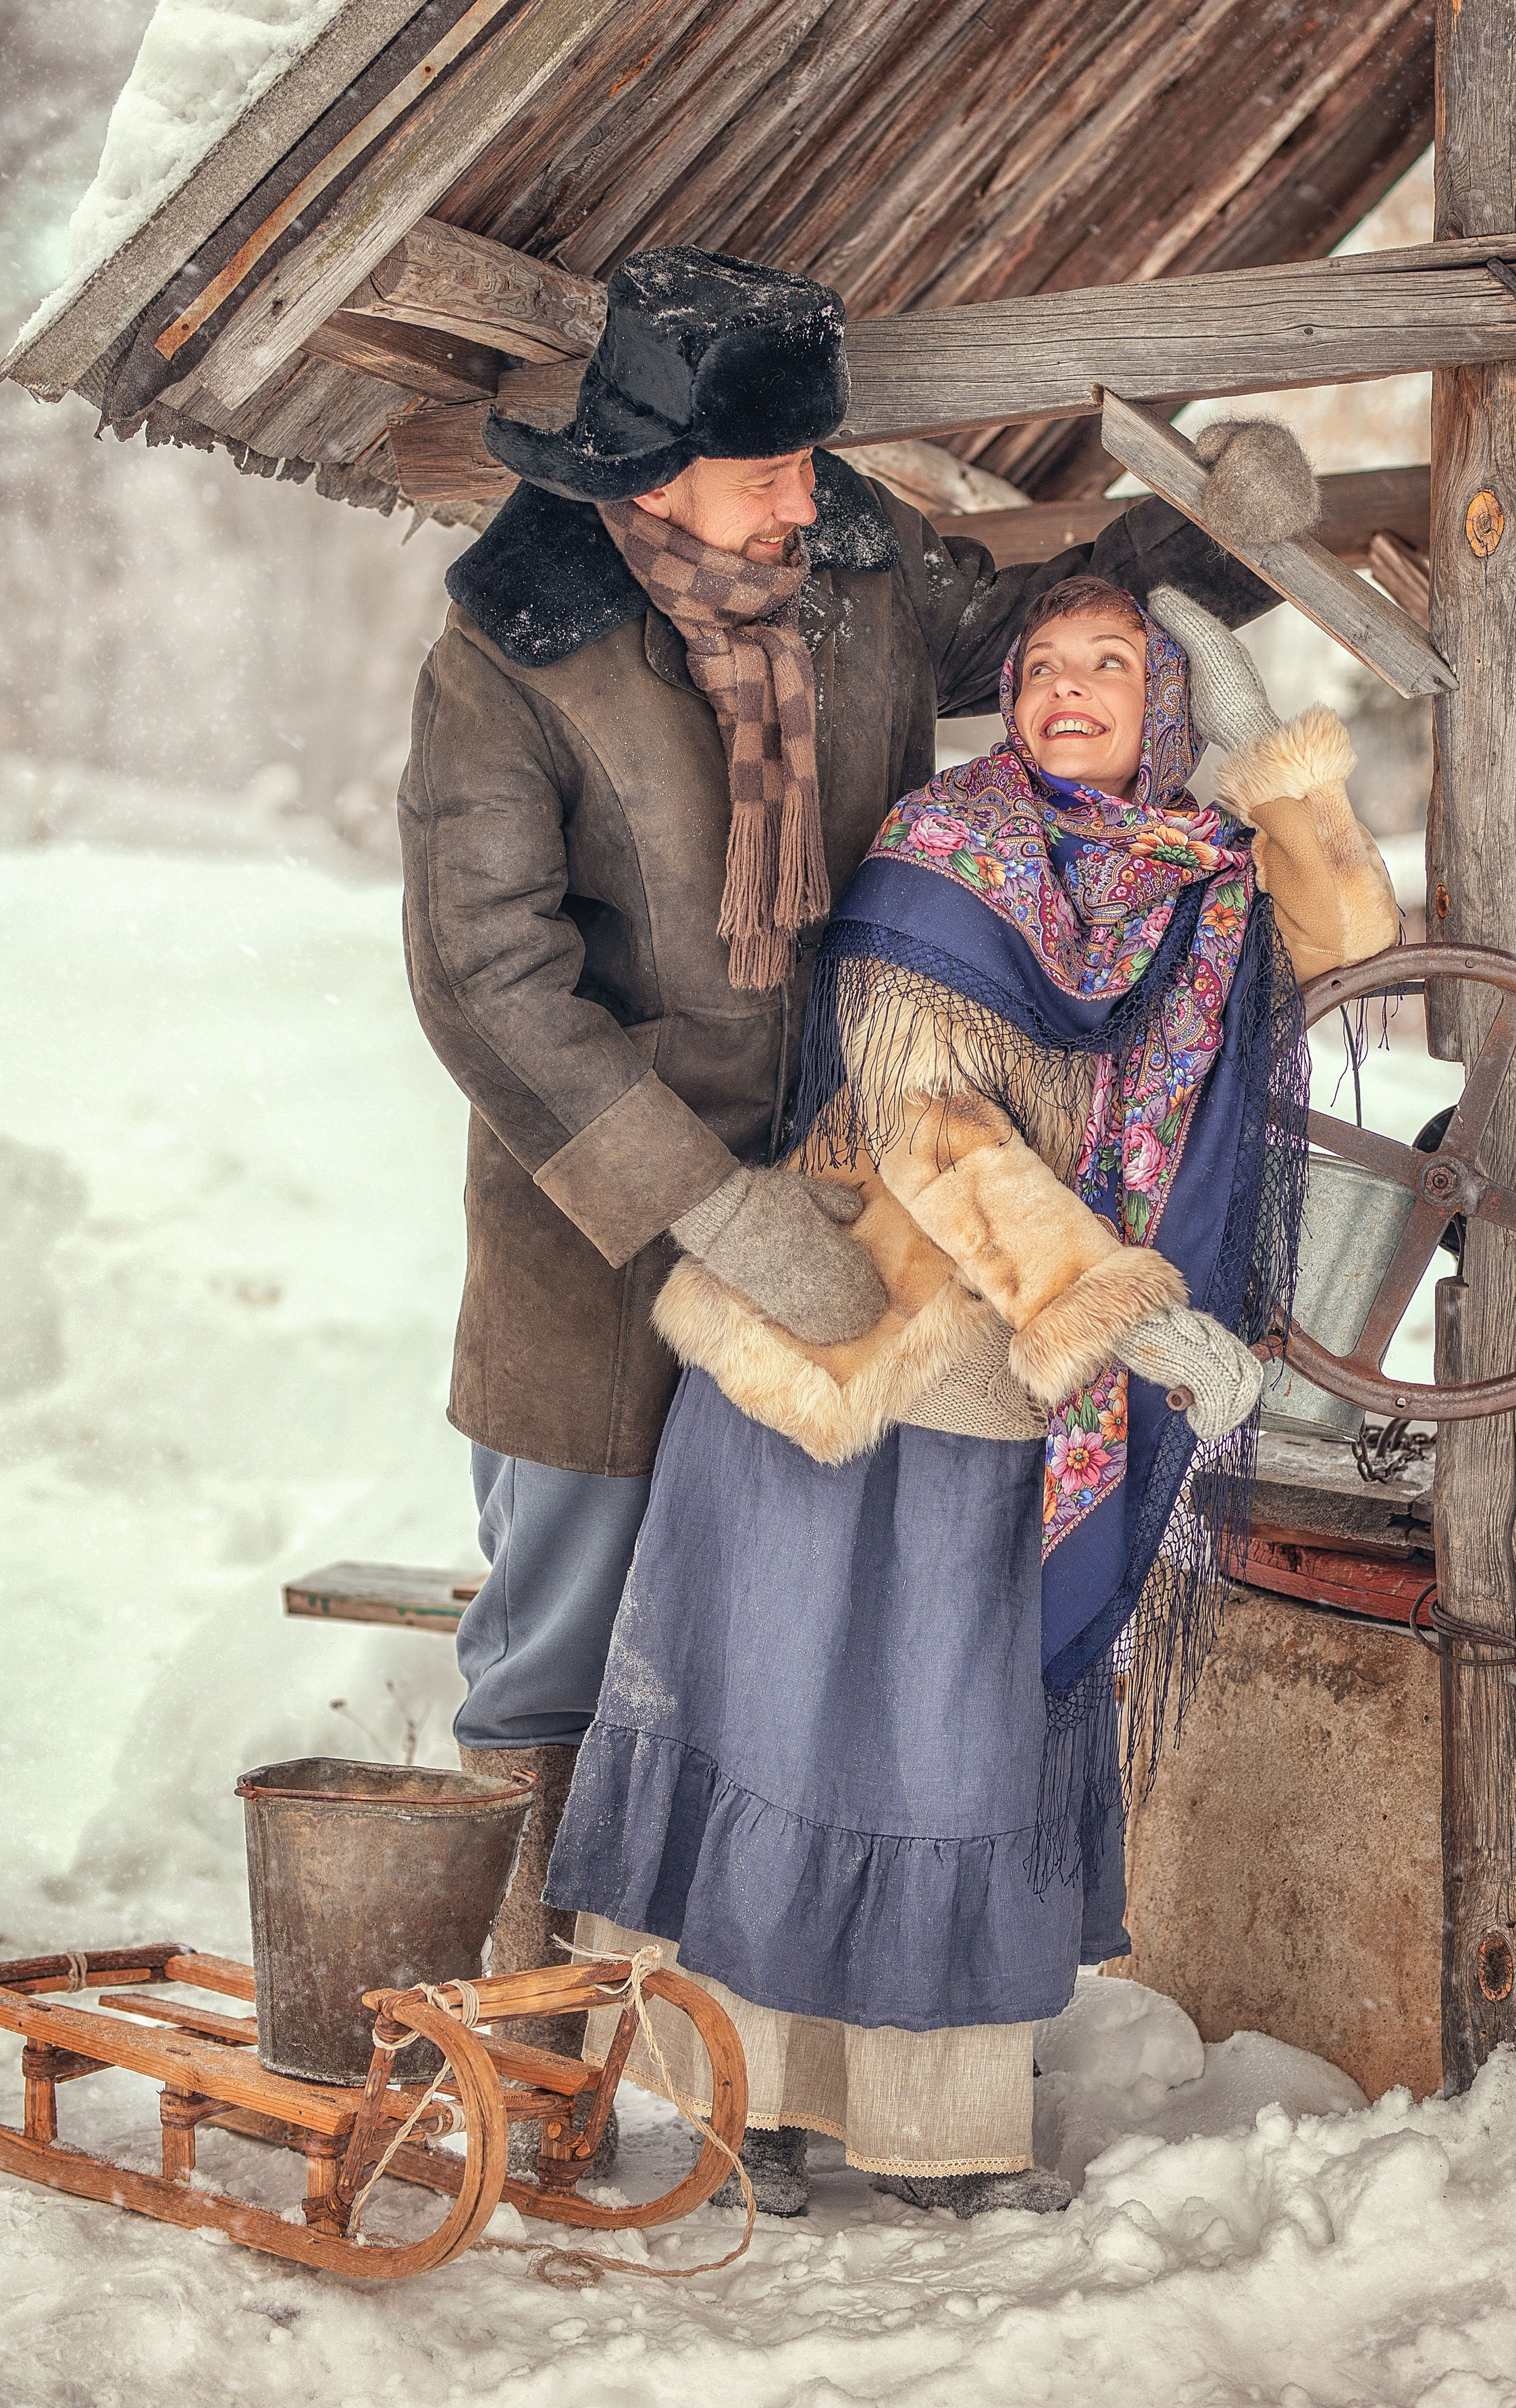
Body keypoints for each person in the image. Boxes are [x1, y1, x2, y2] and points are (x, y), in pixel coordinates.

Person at [396, 245, 1292, 2012]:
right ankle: (540, 2066)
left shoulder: (853, 565)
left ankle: (747, 2051)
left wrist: (1208, 551)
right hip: (607, 1235)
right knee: (561, 1653)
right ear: (652, 464)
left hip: (869, 1206)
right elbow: (488, 986)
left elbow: (1034, 631)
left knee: (788, 1644)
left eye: (816, 461)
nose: (811, 500)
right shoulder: (512, 659)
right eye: (771, 471)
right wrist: (710, 1211)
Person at [544, 571, 1401, 2216]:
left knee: (946, 1747)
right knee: (798, 1722)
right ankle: (754, 2111)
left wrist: (1268, 762)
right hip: (868, 1355)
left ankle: (923, 2129)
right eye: (1039, 670)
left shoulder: (1192, 878)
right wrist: (1129, 1320)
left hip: (1033, 1390)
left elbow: (1350, 943)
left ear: (1160, 706)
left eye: (1111, 667)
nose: (1067, 691)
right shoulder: (943, 856)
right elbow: (933, 1134)